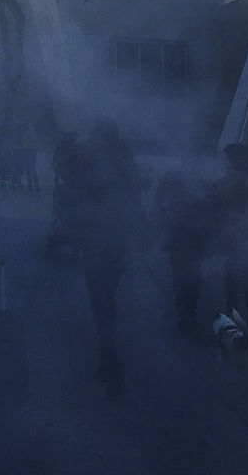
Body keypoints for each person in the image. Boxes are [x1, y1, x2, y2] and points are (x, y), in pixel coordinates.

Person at [72, 120, 144, 397]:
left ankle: (110, 359)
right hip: (116, 244)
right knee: (106, 301)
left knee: (100, 302)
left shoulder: (98, 167)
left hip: (100, 244)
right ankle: (107, 356)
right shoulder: (125, 165)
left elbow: (85, 203)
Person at [209, 143, 248, 345]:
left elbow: (219, 204)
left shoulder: (231, 182)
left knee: (233, 290)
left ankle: (235, 333)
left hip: (236, 241)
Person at [152, 169, 214, 333]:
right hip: (183, 233)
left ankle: (186, 313)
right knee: (186, 275)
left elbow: (158, 199)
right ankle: (185, 313)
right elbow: (159, 199)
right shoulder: (176, 175)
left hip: (191, 234)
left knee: (188, 275)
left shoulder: (202, 176)